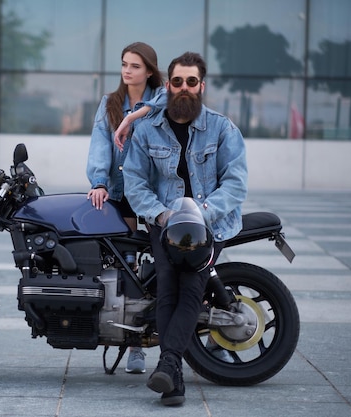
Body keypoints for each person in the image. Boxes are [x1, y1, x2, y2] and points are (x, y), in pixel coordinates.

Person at [123, 51, 248, 406]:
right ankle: (172, 373)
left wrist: (200, 214)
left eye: (191, 82)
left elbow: (236, 184)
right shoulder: (147, 130)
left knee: (191, 286)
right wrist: (164, 217)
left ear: (201, 86)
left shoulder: (222, 128)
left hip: (209, 225)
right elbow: (135, 183)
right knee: (167, 289)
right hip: (164, 224)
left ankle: (169, 366)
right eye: (177, 81)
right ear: (168, 85)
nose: (184, 88)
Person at [86, 41, 164, 374]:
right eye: (123, 64)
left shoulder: (161, 99)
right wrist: (99, 183)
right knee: (128, 266)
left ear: (149, 70)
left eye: (134, 65)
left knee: (167, 260)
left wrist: (135, 115)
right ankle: (135, 347)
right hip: (120, 193)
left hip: (155, 194)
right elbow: (100, 145)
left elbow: (173, 102)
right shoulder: (109, 103)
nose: (127, 71)